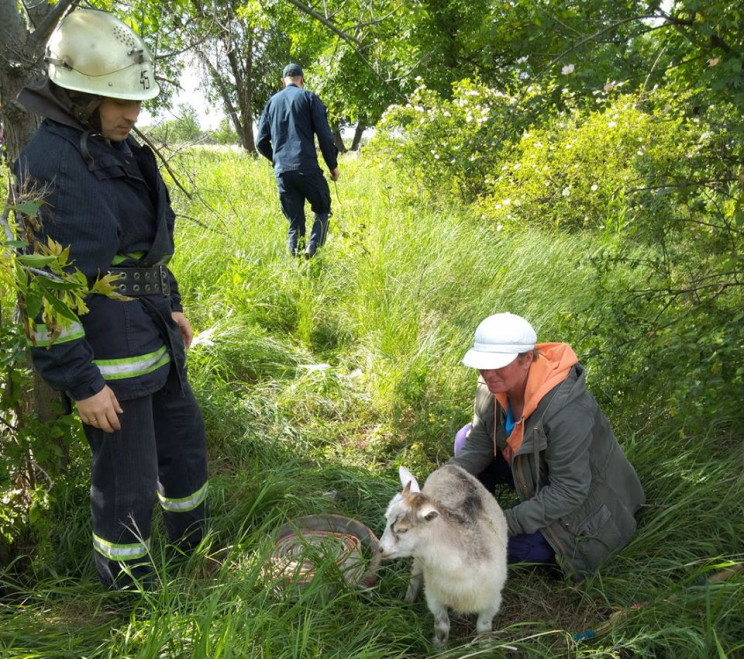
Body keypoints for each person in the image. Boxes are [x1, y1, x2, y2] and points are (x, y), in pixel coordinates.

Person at [14, 8, 208, 590]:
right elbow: (41, 289)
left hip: (154, 338)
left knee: (185, 451)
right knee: (126, 481)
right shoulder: (47, 163)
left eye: (136, 100)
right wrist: (82, 383)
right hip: (107, 364)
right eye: (118, 101)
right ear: (75, 95)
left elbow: (141, 250)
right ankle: (133, 597)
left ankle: (193, 556)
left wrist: (167, 300)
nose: (133, 113)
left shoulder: (115, 147)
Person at [449, 312, 644, 579]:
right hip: (533, 471)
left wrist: (503, 523)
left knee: (482, 548)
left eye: (498, 365)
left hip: (581, 504)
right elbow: (480, 442)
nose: (488, 373)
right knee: (464, 439)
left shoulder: (566, 409)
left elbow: (569, 490)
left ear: (527, 358)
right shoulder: (493, 384)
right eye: (483, 364)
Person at [256, 63, 339, 259]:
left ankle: (297, 267)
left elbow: (260, 142)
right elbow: (325, 137)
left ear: (283, 81)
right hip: (307, 168)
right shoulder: (309, 97)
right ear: (302, 79)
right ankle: (312, 248)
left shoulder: (272, 102)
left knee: (295, 222)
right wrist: (332, 166)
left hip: (283, 172)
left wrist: (277, 160)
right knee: (322, 208)